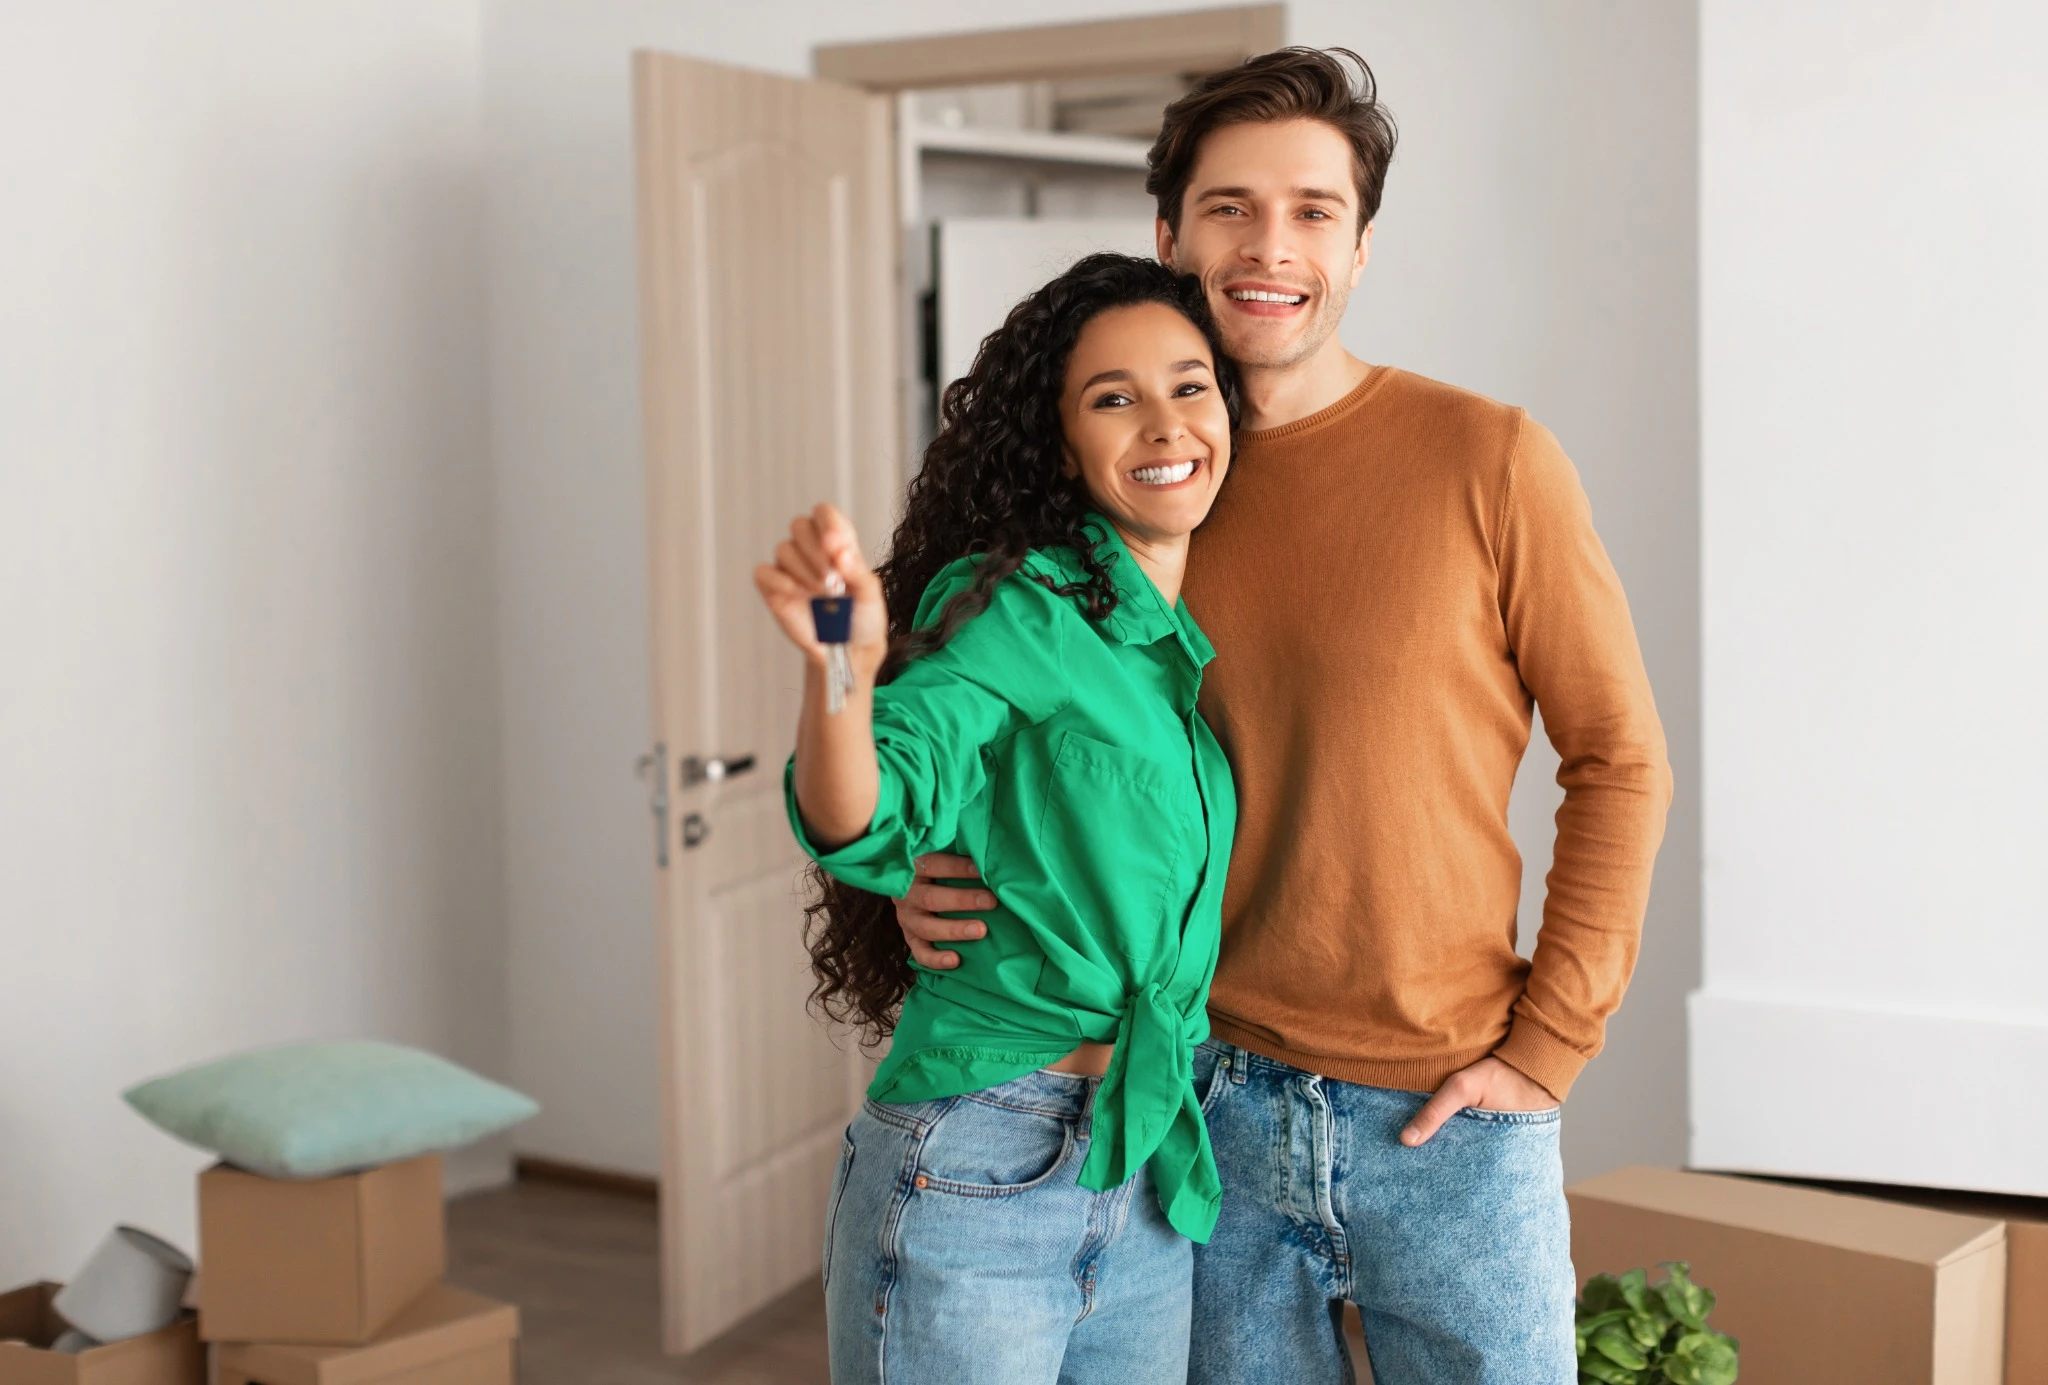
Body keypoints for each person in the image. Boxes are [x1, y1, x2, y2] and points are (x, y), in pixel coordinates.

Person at [892, 49, 1675, 1385]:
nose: (1271, 245)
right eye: (1230, 207)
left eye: (1314, 210)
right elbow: (984, 733)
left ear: (1362, 246)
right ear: (1168, 235)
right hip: (1205, 1108)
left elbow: (1620, 759)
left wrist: (1548, 1050)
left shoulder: (1489, 458)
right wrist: (923, 877)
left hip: (1450, 1116)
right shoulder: (1137, 488)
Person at [754, 254, 1244, 1385]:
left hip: (1142, 1160)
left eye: (1189, 385)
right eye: (1112, 397)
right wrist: (841, 672)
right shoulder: (1016, 604)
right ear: (1059, 438)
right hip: (981, 1161)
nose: (1165, 422)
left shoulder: (1175, 639)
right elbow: (866, 803)